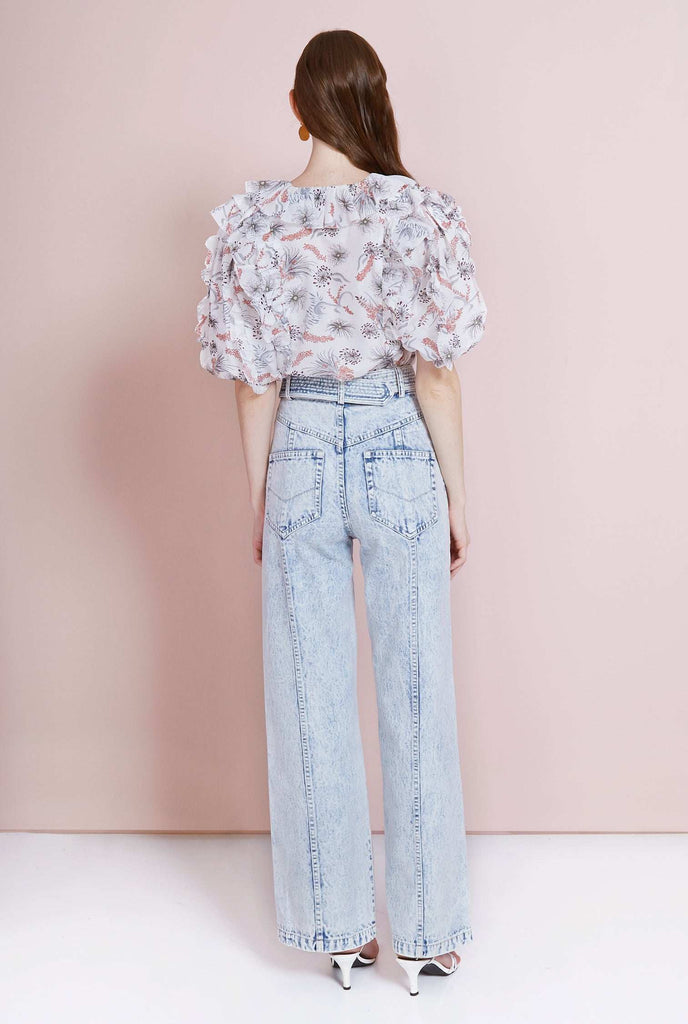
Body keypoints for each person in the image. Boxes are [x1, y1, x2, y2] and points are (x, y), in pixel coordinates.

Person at [194, 29, 487, 996]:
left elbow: (254, 385)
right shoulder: (421, 215)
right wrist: (455, 493)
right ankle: (428, 936)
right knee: (418, 689)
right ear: (373, 99)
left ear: (297, 108)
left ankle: (339, 933)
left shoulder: (255, 224)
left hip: (303, 450)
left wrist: (263, 497)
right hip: (400, 442)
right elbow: (436, 374)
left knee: (308, 694)